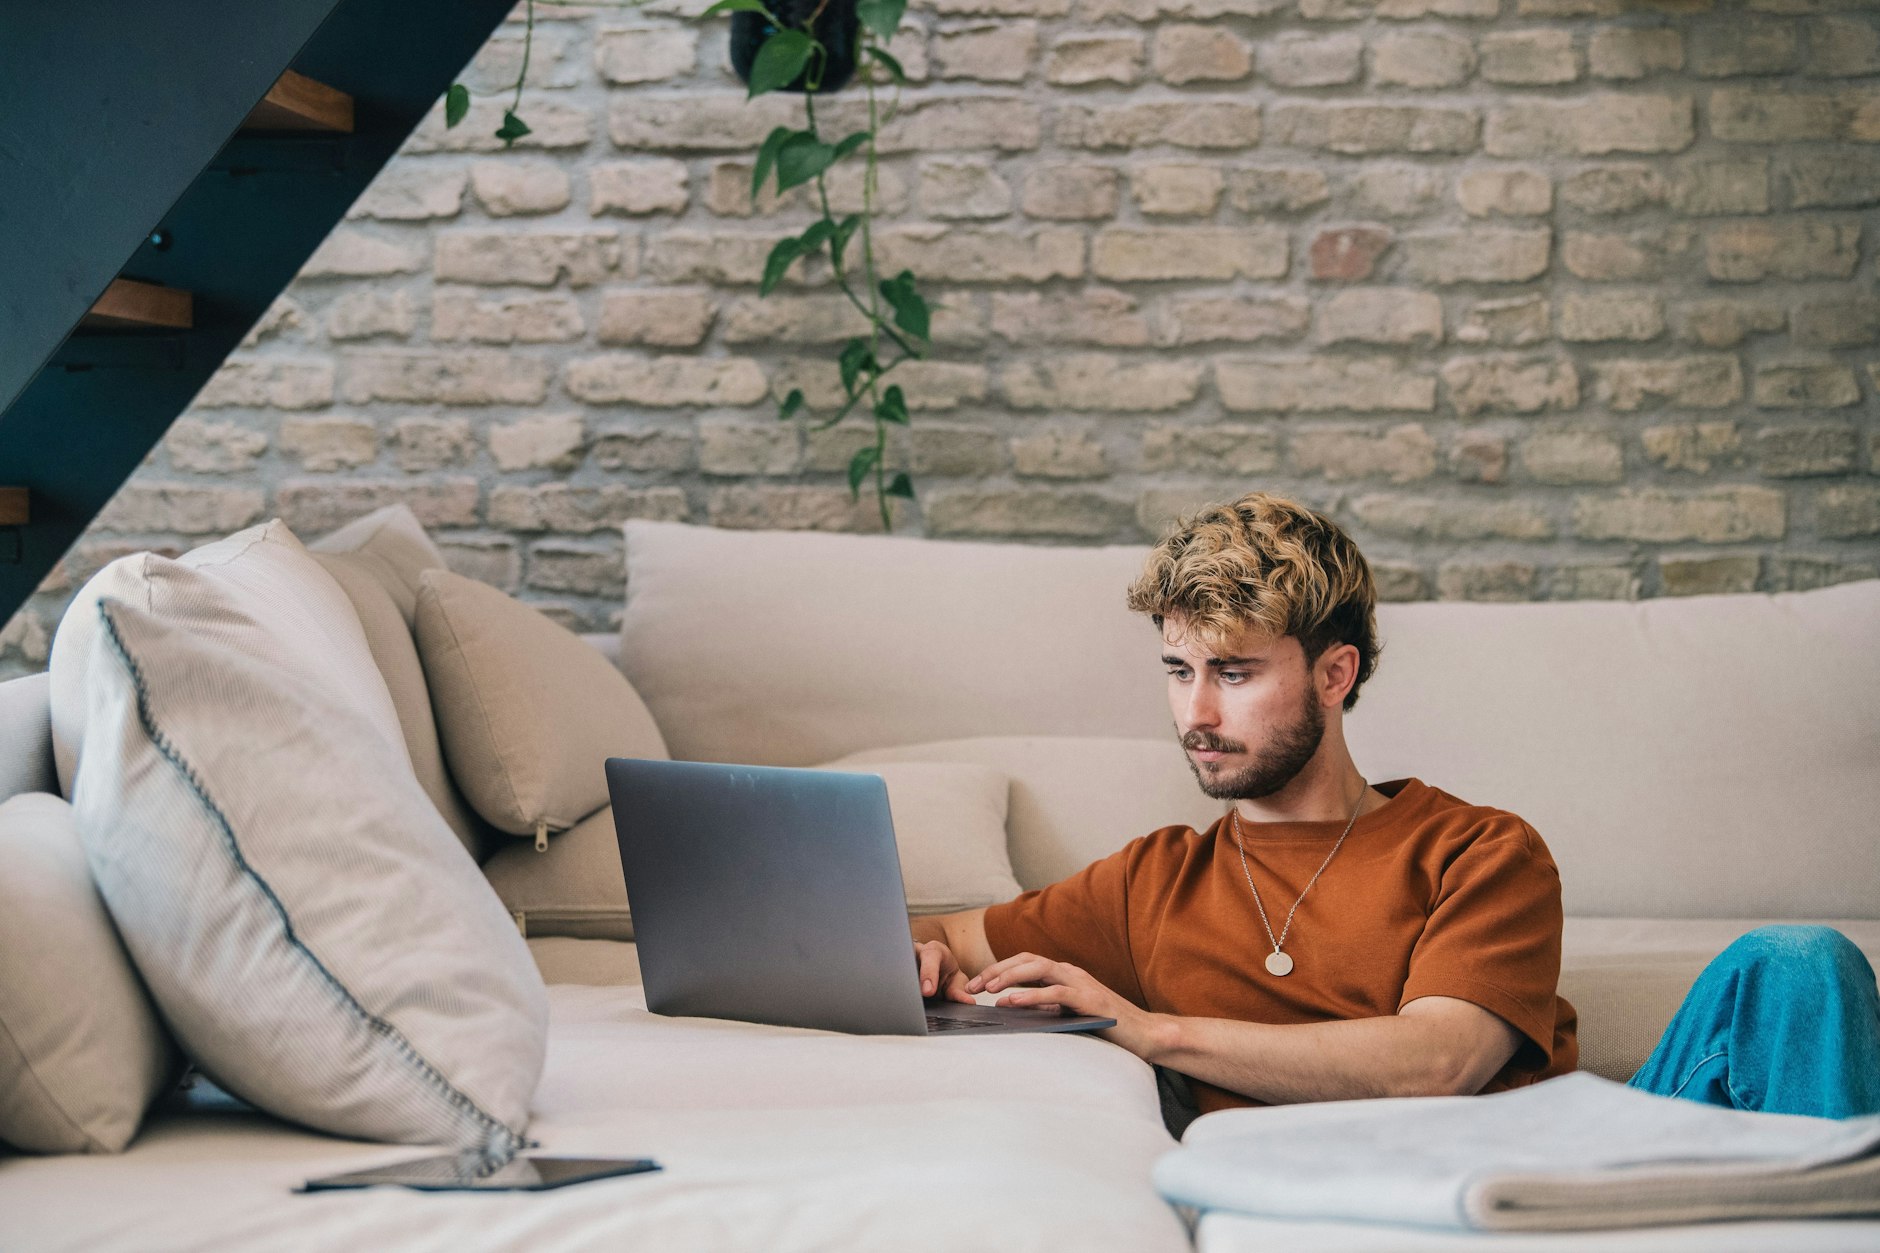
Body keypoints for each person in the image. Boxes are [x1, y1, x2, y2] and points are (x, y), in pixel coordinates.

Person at [909, 491, 1880, 1135]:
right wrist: (915, 951)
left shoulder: (1476, 849)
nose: (1193, 713)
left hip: (1534, 1185)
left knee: (1795, 964)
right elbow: (928, 932)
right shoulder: (1148, 880)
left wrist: (1145, 1027)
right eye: (1178, 670)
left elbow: (1437, 1059)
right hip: (1324, 1208)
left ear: (1334, 673)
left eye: (1233, 672)